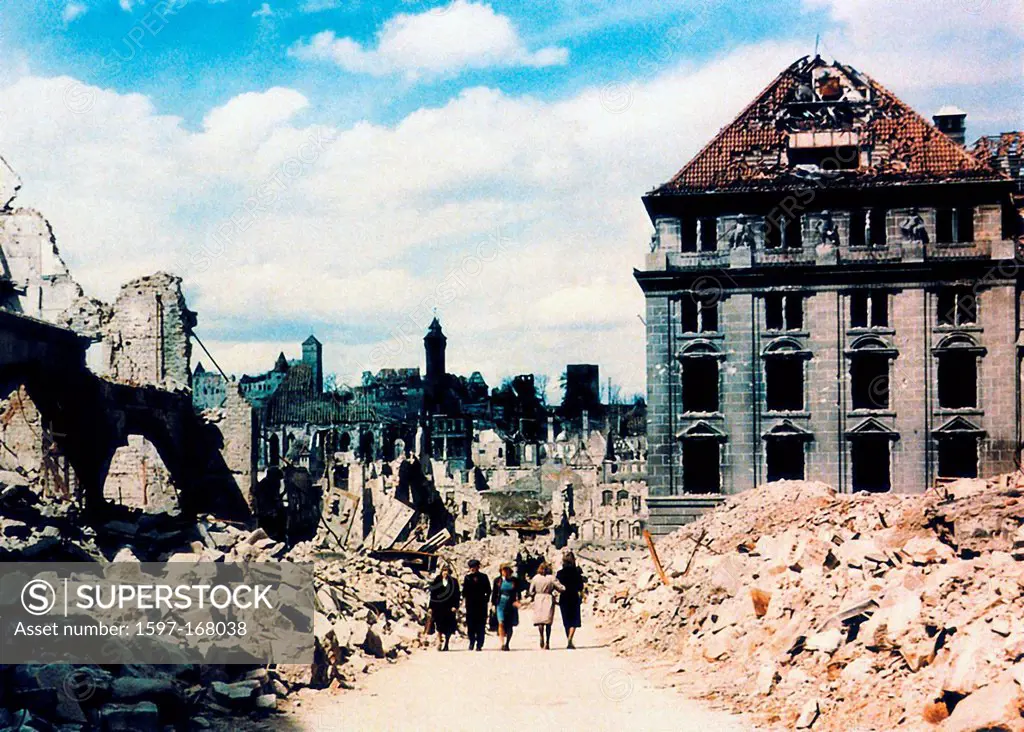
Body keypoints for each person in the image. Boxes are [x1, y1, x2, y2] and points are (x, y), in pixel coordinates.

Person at [528, 562, 565, 650]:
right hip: (548, 598)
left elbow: (531, 591)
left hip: (539, 598)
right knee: (547, 621)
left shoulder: (535, 578)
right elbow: (561, 588)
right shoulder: (551, 578)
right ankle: (547, 641)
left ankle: (541, 636)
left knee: (540, 620)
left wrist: (533, 595)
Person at [556, 551, 586, 649]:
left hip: (564, 597)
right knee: (574, 619)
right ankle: (570, 638)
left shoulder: (560, 573)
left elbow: (556, 585)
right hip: (573, 596)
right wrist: (582, 595)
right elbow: (580, 586)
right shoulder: (577, 572)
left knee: (566, 619)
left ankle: (568, 638)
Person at [428, 564, 460, 651]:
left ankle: (446, 642)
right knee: (438, 624)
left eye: (447, 571)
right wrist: (430, 607)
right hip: (439, 606)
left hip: (449, 607)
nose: (445, 573)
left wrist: (455, 606)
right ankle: (439, 641)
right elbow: (433, 594)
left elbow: (457, 595)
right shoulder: (437, 580)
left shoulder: (454, 581)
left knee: (448, 626)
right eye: (444, 571)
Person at [491, 563, 521, 651]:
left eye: (507, 570)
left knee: (509, 625)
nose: (505, 572)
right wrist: (493, 604)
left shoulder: (514, 580)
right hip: (500, 604)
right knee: (501, 623)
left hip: (511, 604)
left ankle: (507, 643)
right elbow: (494, 593)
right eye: (503, 570)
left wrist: (518, 601)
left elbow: (518, 592)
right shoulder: (497, 580)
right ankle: (502, 643)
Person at [462, 558, 490, 651]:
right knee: (471, 625)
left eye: (474, 567)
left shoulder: (484, 577)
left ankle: (479, 644)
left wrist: (486, 599)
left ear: (478, 567)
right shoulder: (467, 578)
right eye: (471, 567)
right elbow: (464, 591)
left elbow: (488, 590)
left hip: (481, 604)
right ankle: (471, 641)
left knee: (481, 625)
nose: (472, 569)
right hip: (470, 605)